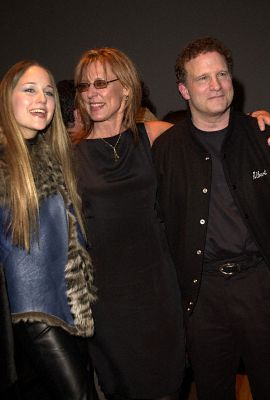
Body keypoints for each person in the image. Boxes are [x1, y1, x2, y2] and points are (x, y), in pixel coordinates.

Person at [152, 36, 270, 400]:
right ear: (184, 90)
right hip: (202, 295)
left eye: (221, 74)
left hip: (264, 288)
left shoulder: (265, 136)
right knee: (212, 391)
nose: (216, 85)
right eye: (202, 78)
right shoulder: (166, 151)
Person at [73, 47, 186, 400]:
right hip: (107, 297)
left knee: (169, 382)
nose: (90, 93)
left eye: (100, 83)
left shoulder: (154, 135)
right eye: (83, 86)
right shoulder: (70, 153)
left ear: (126, 87)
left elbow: (214, 129)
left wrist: (262, 119)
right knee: (123, 386)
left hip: (158, 288)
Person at [0, 60, 98, 400]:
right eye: (29, 90)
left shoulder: (54, 157)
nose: (41, 99)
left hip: (67, 307)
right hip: (32, 312)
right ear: (6, 98)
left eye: (48, 92)